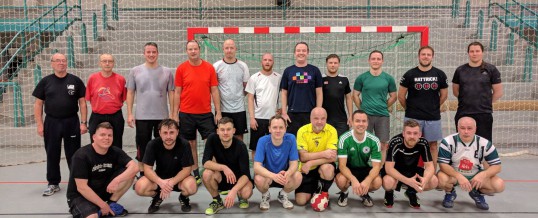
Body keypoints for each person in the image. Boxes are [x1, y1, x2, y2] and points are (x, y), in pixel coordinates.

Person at [33, 53, 87, 196]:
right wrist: (39, 124)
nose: (61, 63)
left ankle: (77, 183)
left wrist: (83, 122)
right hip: (52, 122)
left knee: (74, 154)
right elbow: (38, 104)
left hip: (72, 121)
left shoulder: (75, 80)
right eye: (58, 61)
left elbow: (82, 103)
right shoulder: (45, 82)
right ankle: (53, 183)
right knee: (52, 153)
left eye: (63, 60)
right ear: (52, 63)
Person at [173, 40, 221, 184]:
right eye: (190, 49)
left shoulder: (209, 68)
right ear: (186, 51)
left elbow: (214, 90)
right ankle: (196, 173)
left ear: (199, 50)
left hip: (205, 113)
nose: (193, 51)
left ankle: (213, 171)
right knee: (190, 144)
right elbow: (177, 92)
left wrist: (218, 111)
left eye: (195, 49)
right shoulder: (181, 69)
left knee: (211, 142)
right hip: (186, 113)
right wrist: (175, 113)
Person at [66, 122, 138, 217]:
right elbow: (82, 188)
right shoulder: (81, 156)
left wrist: (117, 180)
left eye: (109, 135)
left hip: (102, 191)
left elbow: (135, 167)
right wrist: (102, 205)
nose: (107, 138)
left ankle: (111, 203)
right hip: (80, 196)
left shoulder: (115, 151)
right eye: (102, 135)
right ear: (94, 137)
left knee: (130, 173)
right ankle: (97, 208)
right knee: (93, 216)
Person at [126, 42, 175, 177]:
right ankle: (143, 173)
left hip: (162, 117)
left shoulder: (167, 72)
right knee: (142, 146)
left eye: (154, 52)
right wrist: (130, 113)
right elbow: (130, 93)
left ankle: (162, 171)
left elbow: (171, 93)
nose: (151, 54)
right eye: (148, 52)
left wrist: (172, 114)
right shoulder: (135, 71)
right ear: (144, 54)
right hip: (142, 117)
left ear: (158, 53)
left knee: (163, 145)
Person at [437, 117, 505, 210]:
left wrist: (483, 174)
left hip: (475, 174)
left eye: (469, 128)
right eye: (462, 128)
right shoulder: (447, 142)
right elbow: (443, 165)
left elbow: (497, 167)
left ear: (475, 129)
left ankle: (477, 192)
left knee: (499, 185)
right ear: (457, 128)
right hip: (454, 174)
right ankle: (450, 192)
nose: (466, 131)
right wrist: (459, 176)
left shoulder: (485, 144)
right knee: (440, 180)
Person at [398, 46, 448, 168]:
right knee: (410, 145)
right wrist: (409, 109)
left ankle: (432, 174)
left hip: (433, 117)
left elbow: (444, 95)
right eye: (423, 54)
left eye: (428, 54)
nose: (426, 57)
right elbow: (401, 96)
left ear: (432, 57)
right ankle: (409, 173)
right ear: (419, 56)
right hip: (413, 117)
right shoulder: (409, 74)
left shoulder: (440, 74)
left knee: (433, 145)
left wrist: (434, 107)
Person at [134, 119, 197, 213]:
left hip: (179, 179)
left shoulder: (184, 144)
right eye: (165, 133)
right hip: (159, 179)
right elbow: (147, 169)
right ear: (159, 133)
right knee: (139, 187)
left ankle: (183, 198)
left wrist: (171, 182)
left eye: (171, 132)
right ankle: (157, 197)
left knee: (192, 187)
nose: (168, 136)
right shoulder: (152, 144)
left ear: (177, 132)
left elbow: (187, 169)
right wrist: (161, 182)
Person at [201, 117, 253, 215]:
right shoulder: (212, 139)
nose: (225, 133)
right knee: (206, 174)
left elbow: (246, 175)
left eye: (228, 129)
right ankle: (217, 201)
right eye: (222, 130)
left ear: (234, 131)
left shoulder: (241, 146)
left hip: (237, 179)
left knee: (246, 192)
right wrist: (224, 168)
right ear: (217, 131)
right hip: (221, 177)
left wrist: (234, 191)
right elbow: (205, 162)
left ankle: (241, 197)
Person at [452, 41, 503, 142]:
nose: (474, 53)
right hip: (464, 112)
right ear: (468, 53)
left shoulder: (491, 69)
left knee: (484, 144)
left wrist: (485, 102)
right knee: (463, 143)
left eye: (477, 51)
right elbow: (455, 91)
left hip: (483, 113)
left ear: (482, 52)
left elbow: (498, 92)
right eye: (472, 51)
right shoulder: (460, 70)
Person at [382, 119, 439, 209]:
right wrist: (408, 181)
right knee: (388, 182)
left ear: (419, 134)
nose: (412, 136)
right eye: (409, 133)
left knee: (434, 181)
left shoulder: (423, 143)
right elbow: (389, 168)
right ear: (403, 133)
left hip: (412, 170)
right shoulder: (395, 142)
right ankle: (389, 193)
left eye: (415, 133)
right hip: (396, 172)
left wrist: (425, 179)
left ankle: (411, 192)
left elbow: (429, 166)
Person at [352, 50, 397, 158]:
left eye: (378, 59)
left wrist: (384, 106)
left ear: (382, 61)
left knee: (382, 144)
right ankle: (363, 169)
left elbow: (393, 96)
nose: (376, 61)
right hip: (366, 116)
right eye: (373, 59)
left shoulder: (388, 78)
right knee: (363, 143)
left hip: (382, 116)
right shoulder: (362, 78)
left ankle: (380, 170)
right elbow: (355, 95)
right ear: (369, 61)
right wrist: (362, 109)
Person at [254, 115, 303, 210]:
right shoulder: (262, 141)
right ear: (269, 129)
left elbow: (294, 163)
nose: (278, 130)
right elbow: (256, 167)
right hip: (268, 176)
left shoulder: (291, 139)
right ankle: (265, 195)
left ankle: (283, 194)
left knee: (298, 176)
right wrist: (273, 176)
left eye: (281, 127)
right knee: (258, 178)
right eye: (274, 127)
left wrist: (288, 173)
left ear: (285, 129)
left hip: (284, 175)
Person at [335, 110, 382, 208]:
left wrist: (368, 180)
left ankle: (364, 193)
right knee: (341, 180)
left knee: (377, 182)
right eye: (357, 121)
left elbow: (376, 167)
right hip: (348, 169)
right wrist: (354, 180)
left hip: (365, 169)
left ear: (367, 123)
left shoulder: (374, 140)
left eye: (364, 121)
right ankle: (344, 192)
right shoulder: (344, 139)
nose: (361, 124)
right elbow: (342, 166)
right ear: (351, 122)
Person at [295, 107, 338, 207]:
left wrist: (311, 162)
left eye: (323, 118)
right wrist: (323, 153)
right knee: (300, 201)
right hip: (307, 170)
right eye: (316, 118)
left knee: (327, 168)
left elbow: (332, 158)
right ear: (310, 119)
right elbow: (303, 157)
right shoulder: (302, 131)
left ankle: (324, 191)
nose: (319, 122)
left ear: (326, 119)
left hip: (320, 166)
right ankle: (315, 188)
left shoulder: (332, 130)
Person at [280, 42, 323, 136]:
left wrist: (318, 112)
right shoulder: (288, 71)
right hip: (292, 114)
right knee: (294, 142)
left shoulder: (315, 70)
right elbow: (284, 93)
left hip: (310, 114)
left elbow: (319, 93)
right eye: (298, 50)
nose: (301, 53)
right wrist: (284, 112)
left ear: (308, 53)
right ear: (294, 53)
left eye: (304, 50)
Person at [85, 53, 127, 149]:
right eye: (104, 61)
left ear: (114, 63)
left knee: (116, 145)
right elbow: (88, 98)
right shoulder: (92, 78)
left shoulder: (121, 79)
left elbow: (123, 98)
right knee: (96, 145)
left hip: (115, 116)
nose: (107, 63)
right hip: (97, 116)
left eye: (110, 61)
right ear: (100, 63)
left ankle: (116, 164)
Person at [245, 53, 282, 158]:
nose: (267, 62)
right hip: (258, 119)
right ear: (261, 62)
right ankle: (257, 172)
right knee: (256, 148)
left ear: (273, 62)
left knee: (274, 146)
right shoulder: (254, 78)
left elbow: (285, 93)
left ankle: (272, 172)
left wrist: (283, 108)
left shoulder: (278, 77)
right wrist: (252, 118)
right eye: (265, 60)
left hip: (273, 119)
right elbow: (250, 98)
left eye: (270, 60)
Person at [213, 39, 250, 141]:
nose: (229, 50)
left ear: (235, 49)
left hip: (239, 108)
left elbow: (246, 87)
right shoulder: (216, 66)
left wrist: (237, 96)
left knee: (239, 137)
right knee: (222, 137)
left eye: (231, 48)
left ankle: (238, 157)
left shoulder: (243, 66)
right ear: (223, 49)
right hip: (222, 109)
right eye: (227, 48)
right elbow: (213, 88)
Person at [322, 54, 353, 137]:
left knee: (341, 144)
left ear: (339, 64)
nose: (333, 65)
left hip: (341, 119)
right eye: (330, 63)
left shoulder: (344, 79)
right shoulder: (321, 79)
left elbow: (349, 98)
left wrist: (350, 116)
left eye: (335, 63)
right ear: (326, 64)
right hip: (325, 119)